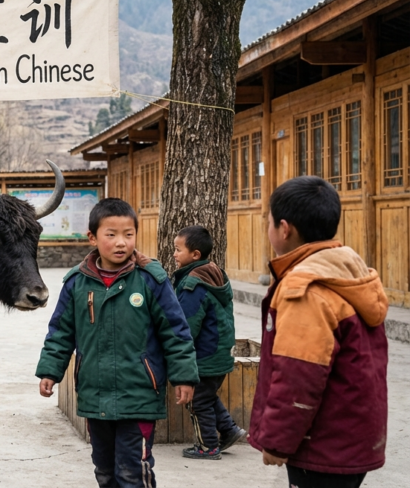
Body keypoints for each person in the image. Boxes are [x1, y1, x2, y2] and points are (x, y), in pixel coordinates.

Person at [36, 197, 197, 488]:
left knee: (133, 471)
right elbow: (60, 332)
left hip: (139, 395)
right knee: (105, 470)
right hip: (95, 395)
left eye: (128, 234)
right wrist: (50, 370)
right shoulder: (76, 282)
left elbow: (175, 331)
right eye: (111, 234)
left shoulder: (151, 280)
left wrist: (184, 376)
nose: (121, 242)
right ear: (92, 237)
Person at [249, 176, 388, 488]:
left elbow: (299, 374)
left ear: (285, 229)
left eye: (269, 222)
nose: (268, 229)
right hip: (351, 438)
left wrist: (277, 442)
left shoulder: (306, 289)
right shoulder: (349, 270)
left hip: (321, 444)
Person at [172, 225, 246, 460]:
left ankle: (208, 447)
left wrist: (176, 351)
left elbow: (186, 326)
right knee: (206, 395)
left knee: (198, 401)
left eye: (178, 250)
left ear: (195, 254)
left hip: (204, 355)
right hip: (220, 352)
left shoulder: (193, 285)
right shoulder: (214, 274)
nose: (174, 254)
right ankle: (230, 430)